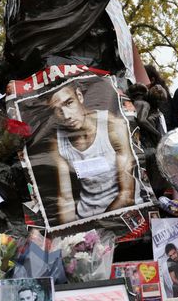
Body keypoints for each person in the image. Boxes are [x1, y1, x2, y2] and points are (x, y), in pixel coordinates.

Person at [48, 84, 138, 224]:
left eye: (69, 103)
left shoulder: (112, 125)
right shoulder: (58, 141)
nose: (66, 116)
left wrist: (96, 229)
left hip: (121, 214)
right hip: (84, 217)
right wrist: (73, 235)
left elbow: (127, 195)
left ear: (79, 96)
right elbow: (65, 199)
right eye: (57, 110)